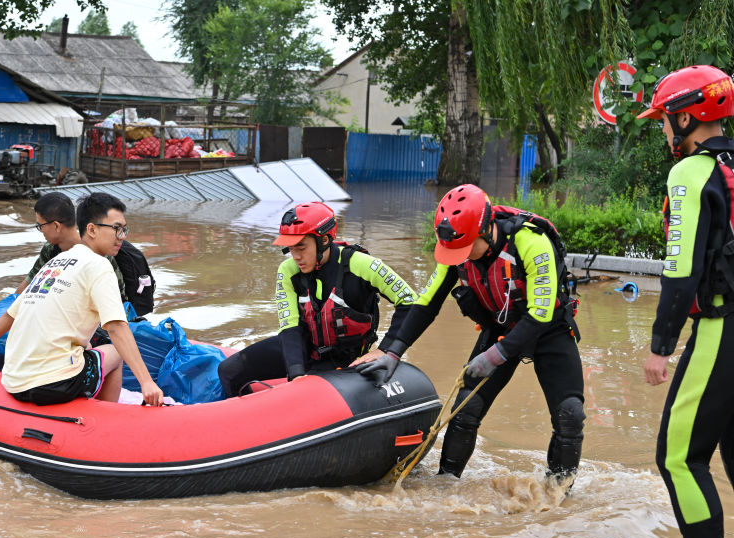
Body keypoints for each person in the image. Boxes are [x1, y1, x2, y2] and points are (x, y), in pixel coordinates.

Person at [360, 184, 584, 481]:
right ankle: (446, 483)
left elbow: (540, 315)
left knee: (570, 415)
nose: (458, 257)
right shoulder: (456, 249)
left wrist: (495, 355)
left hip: (548, 329)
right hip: (501, 328)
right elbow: (427, 304)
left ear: (486, 230)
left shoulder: (531, 242)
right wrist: (394, 350)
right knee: (466, 407)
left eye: (464, 250)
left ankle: (558, 493)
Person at [639, 65, 734, 538]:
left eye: (665, 121)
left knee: (678, 458)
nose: (664, 132)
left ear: (687, 116)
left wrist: (661, 345)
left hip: (722, 329)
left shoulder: (692, 174)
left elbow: (680, 271)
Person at [0, 192, 164, 407]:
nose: (122, 236)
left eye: (124, 229)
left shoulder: (55, 262)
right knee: (115, 352)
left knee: (87, 343)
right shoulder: (100, 265)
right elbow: (116, 327)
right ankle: (109, 416)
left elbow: (11, 313)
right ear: (92, 229)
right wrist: (146, 383)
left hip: (13, 379)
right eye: (116, 228)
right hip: (52, 384)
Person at [217, 201, 417, 397]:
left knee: (305, 400)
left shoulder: (362, 265)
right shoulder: (288, 271)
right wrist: (296, 373)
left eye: (301, 247)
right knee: (228, 370)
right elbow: (289, 326)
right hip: (304, 348)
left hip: (345, 358)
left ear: (324, 240)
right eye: (290, 248)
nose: (295, 256)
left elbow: (410, 301)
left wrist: (386, 349)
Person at [15, 193, 155, 317]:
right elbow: (30, 283)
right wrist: (7, 305)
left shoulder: (100, 256)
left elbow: (116, 299)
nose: (41, 231)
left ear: (56, 226)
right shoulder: (51, 250)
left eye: (41, 226)